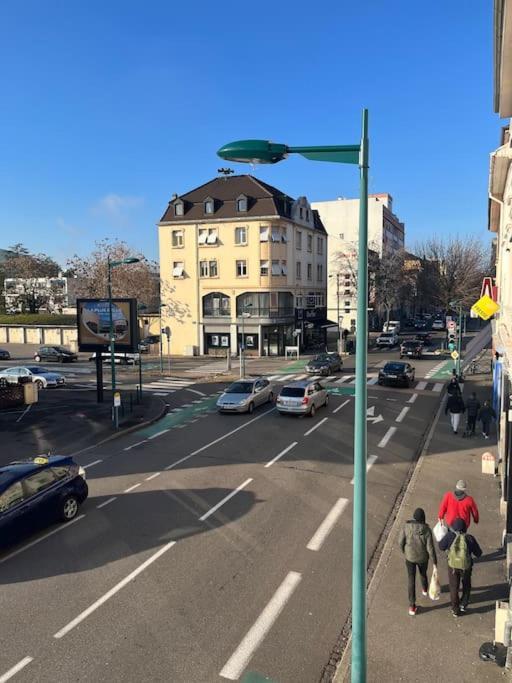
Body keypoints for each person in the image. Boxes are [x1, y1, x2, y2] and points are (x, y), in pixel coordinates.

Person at [439, 517, 482, 616]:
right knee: (466, 585)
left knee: (454, 587)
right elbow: (479, 553)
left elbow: (441, 546)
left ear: (454, 527)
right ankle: (463, 604)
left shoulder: (450, 536)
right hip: (466, 566)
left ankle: (455, 609)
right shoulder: (469, 538)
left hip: (453, 566)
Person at [398, 507, 437, 616]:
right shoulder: (427, 530)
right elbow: (430, 548)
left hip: (409, 557)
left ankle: (412, 605)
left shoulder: (406, 527)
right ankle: (425, 589)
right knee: (423, 573)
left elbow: (400, 541)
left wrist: (404, 551)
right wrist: (435, 561)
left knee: (411, 579)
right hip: (423, 558)